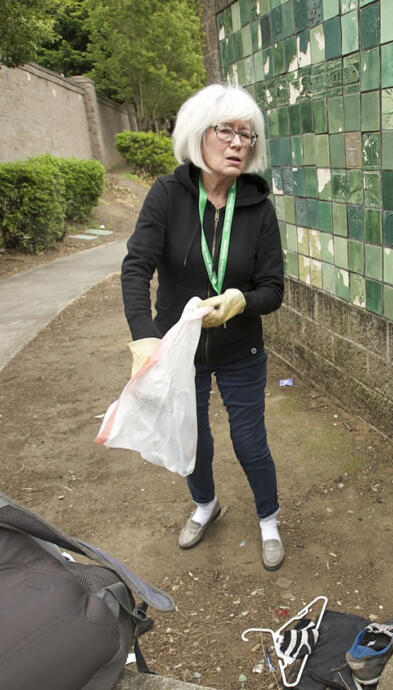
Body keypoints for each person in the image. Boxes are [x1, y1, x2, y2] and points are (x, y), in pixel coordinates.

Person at [120, 84, 286, 570]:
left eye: (248, 136)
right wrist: (143, 332)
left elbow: (273, 289)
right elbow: (137, 267)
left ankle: (268, 519)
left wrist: (241, 300)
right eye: (227, 131)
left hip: (241, 350)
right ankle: (205, 505)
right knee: (192, 439)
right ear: (199, 135)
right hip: (179, 350)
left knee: (250, 440)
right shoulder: (168, 196)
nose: (239, 144)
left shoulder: (258, 208)